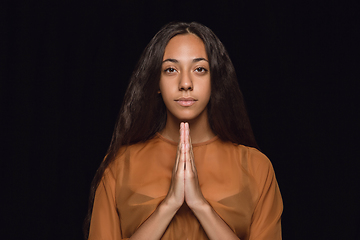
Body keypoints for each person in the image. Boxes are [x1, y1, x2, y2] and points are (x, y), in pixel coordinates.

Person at [84, 22, 283, 240]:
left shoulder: (257, 167)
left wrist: (200, 205)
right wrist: (169, 205)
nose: (186, 83)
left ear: (215, 79)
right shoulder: (119, 165)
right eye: (171, 69)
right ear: (156, 82)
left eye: (200, 69)